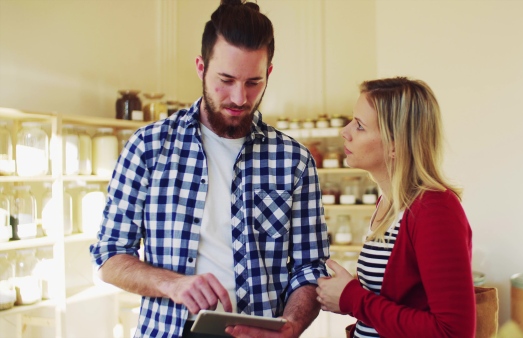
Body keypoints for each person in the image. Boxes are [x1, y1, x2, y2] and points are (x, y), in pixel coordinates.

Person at [89, 1, 329, 337]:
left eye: (253, 83)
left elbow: (310, 267)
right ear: (201, 67)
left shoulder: (294, 160)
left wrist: (291, 327)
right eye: (226, 80)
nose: (239, 98)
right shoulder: (148, 147)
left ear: (269, 73)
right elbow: (109, 257)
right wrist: (172, 284)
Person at [316, 77, 476, 338]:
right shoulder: (388, 203)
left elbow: (453, 332)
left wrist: (352, 298)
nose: (345, 132)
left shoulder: (435, 210)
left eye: (359, 126)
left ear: (394, 144)